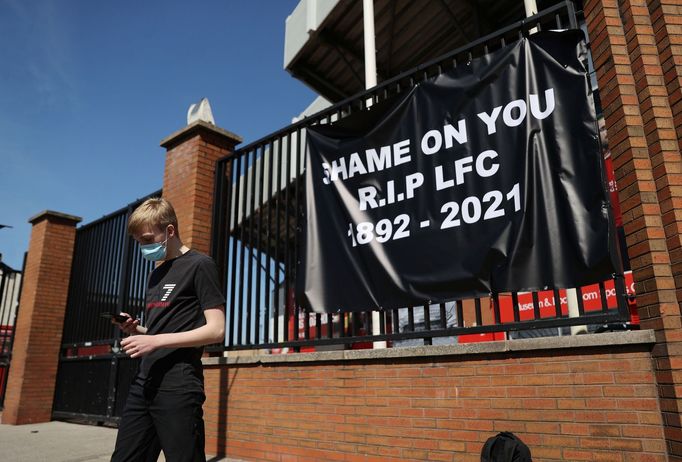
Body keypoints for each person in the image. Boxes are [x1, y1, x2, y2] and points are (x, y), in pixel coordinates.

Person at [110, 197, 225, 462]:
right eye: (140, 242)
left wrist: (155, 341)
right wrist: (136, 329)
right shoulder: (156, 274)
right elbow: (160, 331)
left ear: (170, 231)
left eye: (148, 239)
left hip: (178, 385)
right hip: (144, 383)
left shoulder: (200, 265)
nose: (144, 247)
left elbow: (216, 330)